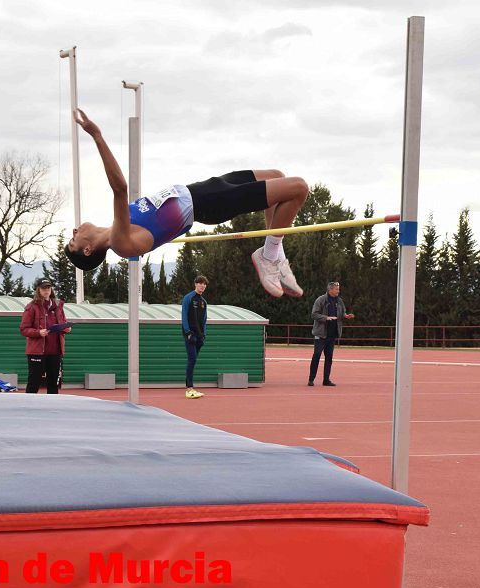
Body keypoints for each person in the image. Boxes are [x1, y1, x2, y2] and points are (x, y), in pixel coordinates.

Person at [64, 108, 305, 298]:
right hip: (211, 203)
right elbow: (120, 188)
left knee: (277, 175)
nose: (75, 231)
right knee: (298, 189)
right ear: (88, 250)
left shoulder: (117, 228)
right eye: (74, 239)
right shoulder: (120, 241)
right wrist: (97, 136)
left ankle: (274, 253)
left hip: (203, 189)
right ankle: (269, 255)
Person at [20, 278, 72, 394]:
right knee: (34, 382)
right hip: (37, 352)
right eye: (43, 288)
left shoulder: (58, 306)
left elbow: (62, 323)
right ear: (38, 289)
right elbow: (23, 329)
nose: (46, 290)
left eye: (48, 287)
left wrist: (66, 329)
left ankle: (53, 409)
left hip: (55, 351)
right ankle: (28, 407)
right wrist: (38, 333)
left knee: (53, 383)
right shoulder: (31, 307)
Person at [308, 282, 354, 387]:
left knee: (329, 358)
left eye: (338, 289)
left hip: (332, 335)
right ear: (330, 290)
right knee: (316, 356)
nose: (338, 291)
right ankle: (311, 379)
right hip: (320, 335)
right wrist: (326, 318)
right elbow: (314, 314)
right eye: (337, 289)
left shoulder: (339, 301)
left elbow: (341, 314)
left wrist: (346, 316)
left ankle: (326, 380)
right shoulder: (320, 300)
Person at [181, 275, 209, 399]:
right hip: (190, 336)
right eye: (200, 283)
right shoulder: (188, 298)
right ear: (195, 284)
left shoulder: (203, 302)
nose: (202, 286)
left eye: (204, 284)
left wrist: (203, 335)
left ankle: (190, 387)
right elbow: (184, 316)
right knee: (192, 359)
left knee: (193, 361)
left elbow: (204, 320)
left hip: (199, 336)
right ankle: (189, 388)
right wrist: (188, 332)